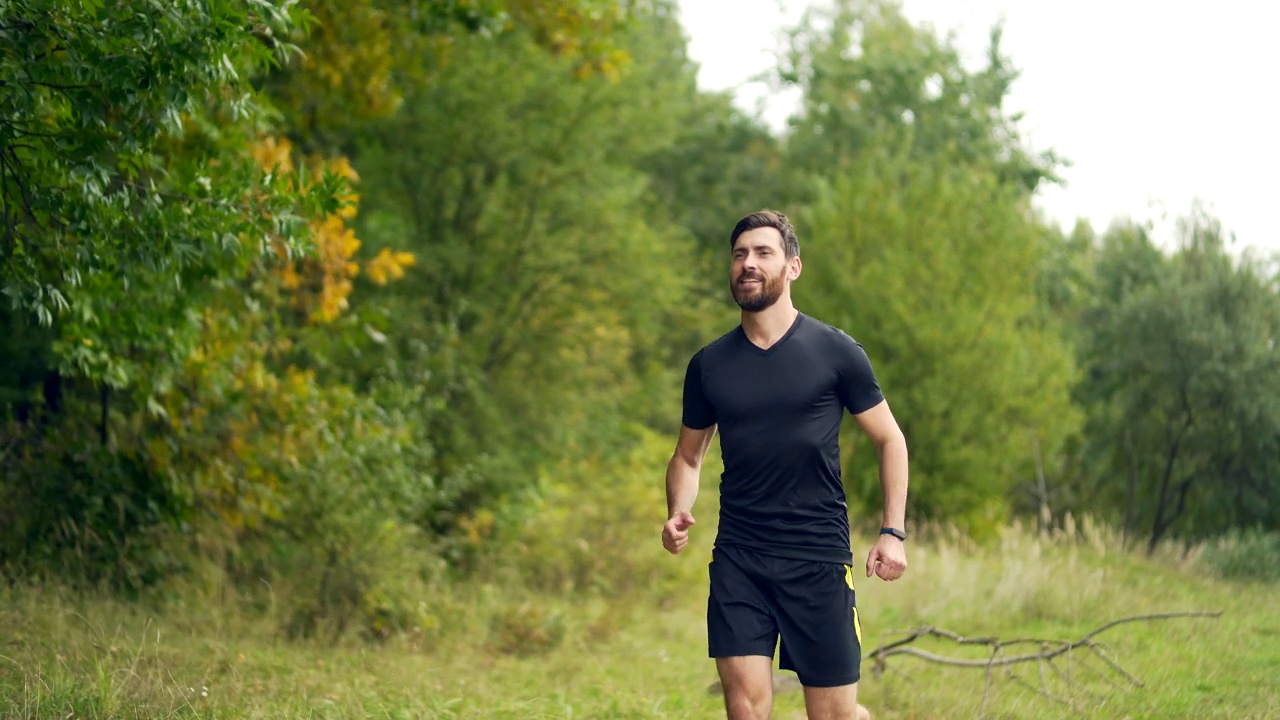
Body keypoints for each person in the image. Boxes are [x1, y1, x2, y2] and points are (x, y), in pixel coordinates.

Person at [661, 210, 909, 720]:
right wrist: (678, 508)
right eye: (739, 254)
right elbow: (689, 455)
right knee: (745, 708)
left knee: (835, 716)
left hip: (817, 556)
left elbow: (890, 439)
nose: (747, 263)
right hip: (741, 557)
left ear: (793, 266)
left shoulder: (835, 352)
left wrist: (892, 532)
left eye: (762, 252)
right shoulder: (709, 365)